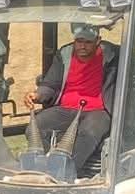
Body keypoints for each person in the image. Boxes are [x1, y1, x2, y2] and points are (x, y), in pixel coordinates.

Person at [30, 22, 119, 176]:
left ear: (98, 40)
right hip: (66, 108)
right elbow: (50, 84)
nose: (82, 46)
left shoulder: (113, 54)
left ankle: (65, 173)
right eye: (79, 41)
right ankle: (46, 167)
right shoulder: (64, 54)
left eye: (88, 42)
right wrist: (38, 95)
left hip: (99, 110)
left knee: (88, 132)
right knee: (35, 126)